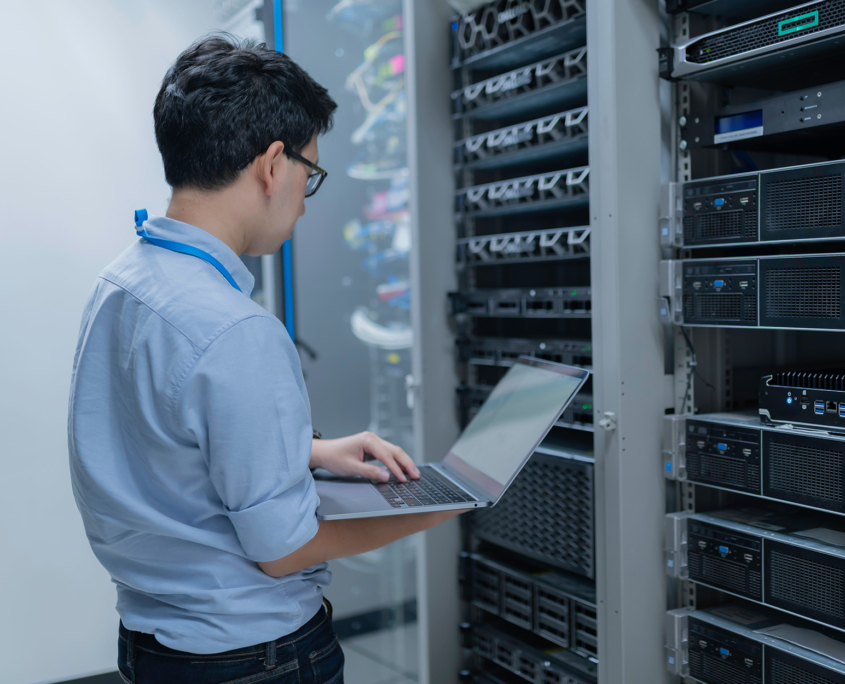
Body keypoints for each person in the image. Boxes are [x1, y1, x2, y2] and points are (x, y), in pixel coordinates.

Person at [67, 36, 459, 684]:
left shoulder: (118, 284)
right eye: (311, 172)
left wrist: (307, 450)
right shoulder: (236, 330)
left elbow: (155, 438)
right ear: (273, 164)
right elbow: (284, 551)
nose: (307, 197)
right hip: (253, 660)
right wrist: (435, 508)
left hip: (153, 647)